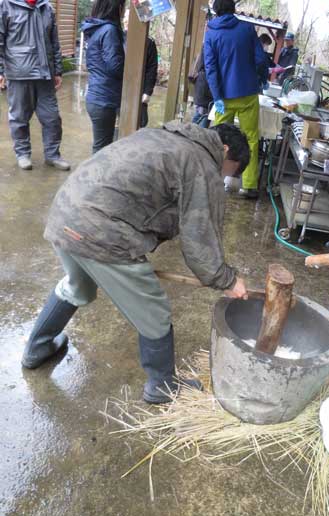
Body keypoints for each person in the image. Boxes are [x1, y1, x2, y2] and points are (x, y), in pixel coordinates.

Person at [21, 122, 250, 404]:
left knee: (77, 286)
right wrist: (226, 279)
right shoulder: (201, 161)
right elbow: (199, 236)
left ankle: (37, 348)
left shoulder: (163, 134)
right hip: (102, 232)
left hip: (66, 212)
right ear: (225, 150)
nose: (222, 178)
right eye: (227, 171)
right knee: (154, 312)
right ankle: (162, 387)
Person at [204, 0, 268, 200]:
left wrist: (217, 97)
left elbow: (211, 69)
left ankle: (213, 178)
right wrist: (262, 79)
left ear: (216, 11)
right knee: (250, 138)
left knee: (217, 139)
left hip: (224, 95)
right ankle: (248, 186)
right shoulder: (247, 29)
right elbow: (260, 60)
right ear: (233, 9)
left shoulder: (211, 34)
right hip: (248, 93)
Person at [0, 0, 70, 171]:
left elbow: (54, 42)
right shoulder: (5, 5)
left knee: (52, 118)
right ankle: (23, 154)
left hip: (45, 74)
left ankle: (52, 155)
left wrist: (58, 71)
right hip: (18, 74)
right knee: (19, 118)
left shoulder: (47, 7)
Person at [82, 0, 126, 154]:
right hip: (103, 99)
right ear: (117, 8)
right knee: (102, 149)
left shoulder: (97, 29)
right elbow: (115, 66)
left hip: (96, 96)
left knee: (101, 145)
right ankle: (95, 178)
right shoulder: (109, 30)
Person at [190, 47, 212, 128]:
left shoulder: (205, 47)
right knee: (204, 115)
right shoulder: (208, 47)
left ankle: (189, 131)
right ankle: (190, 132)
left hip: (202, 84)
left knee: (201, 113)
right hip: (205, 85)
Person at [140, 37, 158, 128]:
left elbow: (152, 69)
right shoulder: (118, 37)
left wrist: (147, 91)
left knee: (142, 121)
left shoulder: (149, 43)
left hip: (140, 89)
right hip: (117, 90)